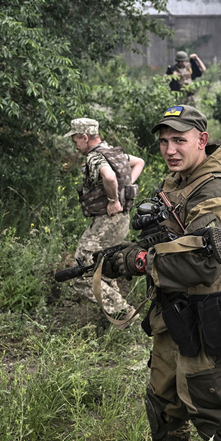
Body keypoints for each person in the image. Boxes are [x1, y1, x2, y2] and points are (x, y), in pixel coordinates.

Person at [104, 105, 221, 441]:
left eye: (179, 140)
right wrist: (134, 249)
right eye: (164, 141)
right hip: (173, 316)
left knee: (217, 419)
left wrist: (138, 262)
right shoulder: (181, 181)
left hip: (206, 321)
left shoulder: (217, 191)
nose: (170, 150)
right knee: (164, 408)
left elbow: (201, 264)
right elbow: (171, 239)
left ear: (201, 140)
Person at [65, 118, 145, 315]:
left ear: (85, 137)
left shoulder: (95, 157)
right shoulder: (112, 152)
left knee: (82, 274)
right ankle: (116, 321)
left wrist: (113, 199)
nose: (76, 146)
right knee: (105, 270)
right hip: (121, 220)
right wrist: (125, 187)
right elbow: (139, 162)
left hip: (107, 222)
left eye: (76, 140)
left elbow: (109, 176)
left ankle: (124, 313)